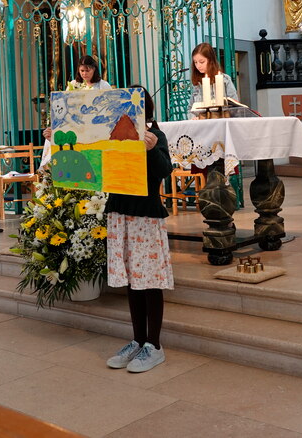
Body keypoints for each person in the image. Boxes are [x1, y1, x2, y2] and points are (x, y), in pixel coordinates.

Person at [104, 86, 174, 373]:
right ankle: (137, 340)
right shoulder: (112, 132)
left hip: (146, 214)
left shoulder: (155, 135)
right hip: (120, 211)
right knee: (133, 279)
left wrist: (150, 149)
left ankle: (154, 346)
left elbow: (164, 171)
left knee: (150, 279)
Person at [188, 42, 238, 114]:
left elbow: (235, 106)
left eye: (202, 62)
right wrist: (193, 117)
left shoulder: (225, 80)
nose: (198, 66)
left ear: (211, 61)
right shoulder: (197, 83)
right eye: (195, 62)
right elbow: (190, 108)